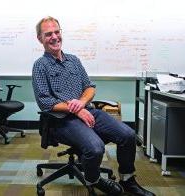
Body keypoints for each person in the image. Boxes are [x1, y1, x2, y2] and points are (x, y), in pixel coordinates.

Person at [32, 16, 155, 196]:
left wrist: (82, 103)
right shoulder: (40, 66)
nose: (54, 37)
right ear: (40, 39)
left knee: (128, 135)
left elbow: (90, 87)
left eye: (57, 32)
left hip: (87, 111)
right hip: (61, 120)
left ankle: (128, 179)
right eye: (48, 34)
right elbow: (45, 102)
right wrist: (76, 109)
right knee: (95, 148)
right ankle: (94, 179)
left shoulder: (73, 60)